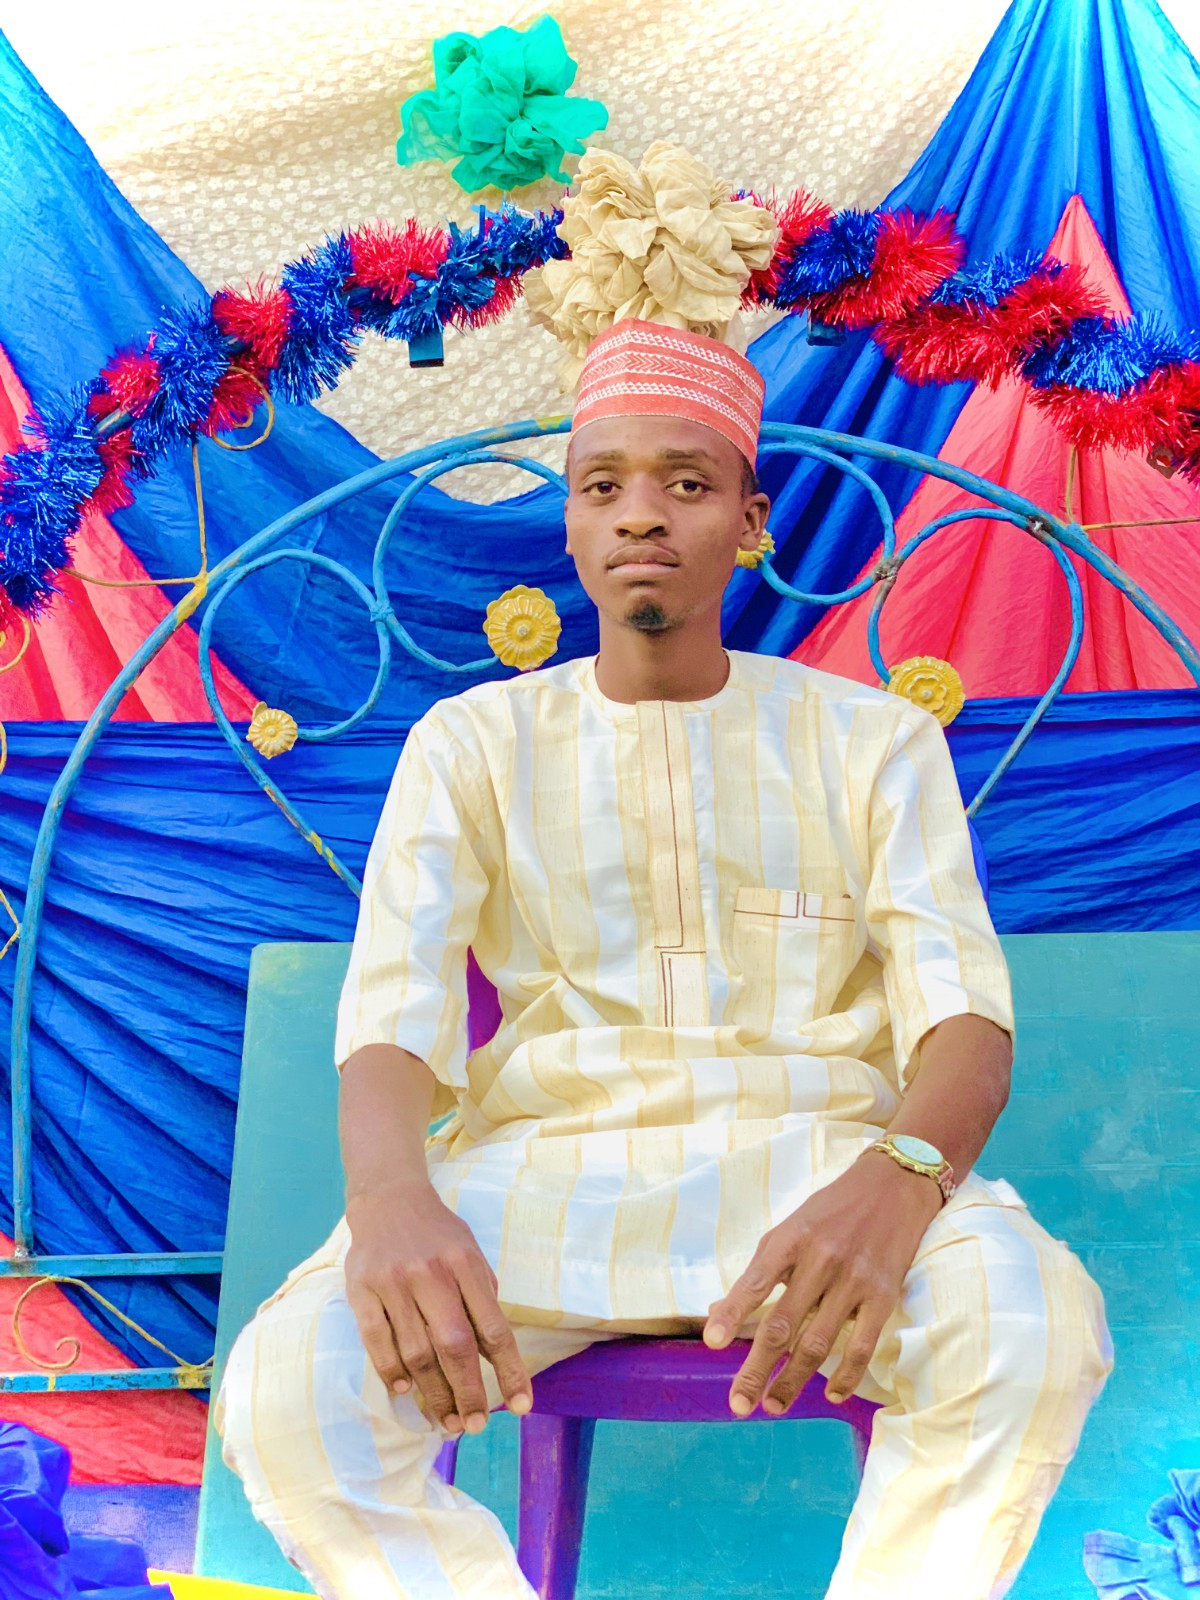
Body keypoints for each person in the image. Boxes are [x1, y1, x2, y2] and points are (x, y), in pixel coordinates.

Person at [216, 150, 1111, 1600]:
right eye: (605, 486)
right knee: (289, 1393)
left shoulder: (873, 740)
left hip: (818, 1168)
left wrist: (898, 1183)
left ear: (749, 523)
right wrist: (389, 1202)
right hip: (537, 1180)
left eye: (688, 484)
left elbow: (964, 1018)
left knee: (1031, 1325)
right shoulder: (472, 742)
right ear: (569, 524)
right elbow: (391, 1014)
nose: (643, 515)